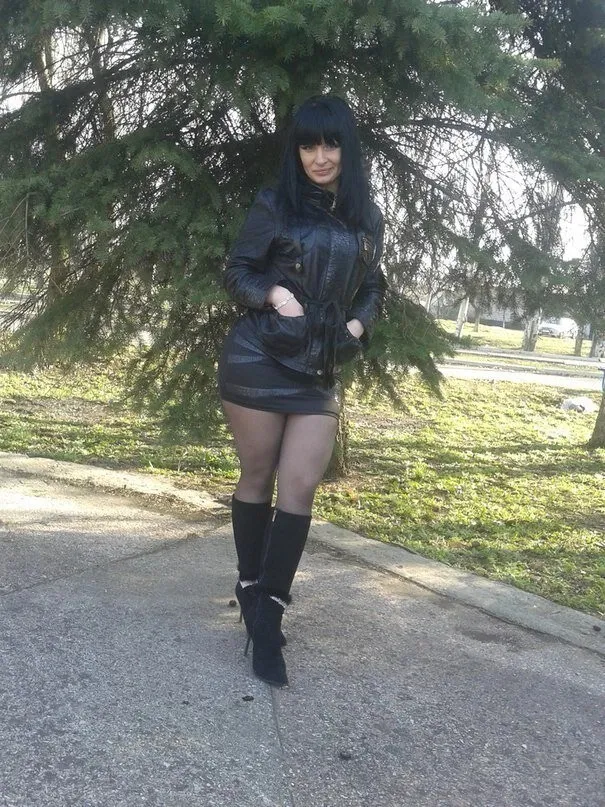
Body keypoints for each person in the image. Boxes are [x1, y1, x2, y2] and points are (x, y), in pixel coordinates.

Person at [218, 94, 386, 687]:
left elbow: (374, 286)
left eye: (331, 143)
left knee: (300, 486)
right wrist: (274, 294)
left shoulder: (367, 216)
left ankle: (270, 608)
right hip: (258, 359)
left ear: (346, 149)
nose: (320, 156)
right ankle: (251, 588)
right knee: (257, 476)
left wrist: (357, 325)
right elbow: (237, 271)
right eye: (309, 145)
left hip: (318, 372)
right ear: (297, 151)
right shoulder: (275, 204)